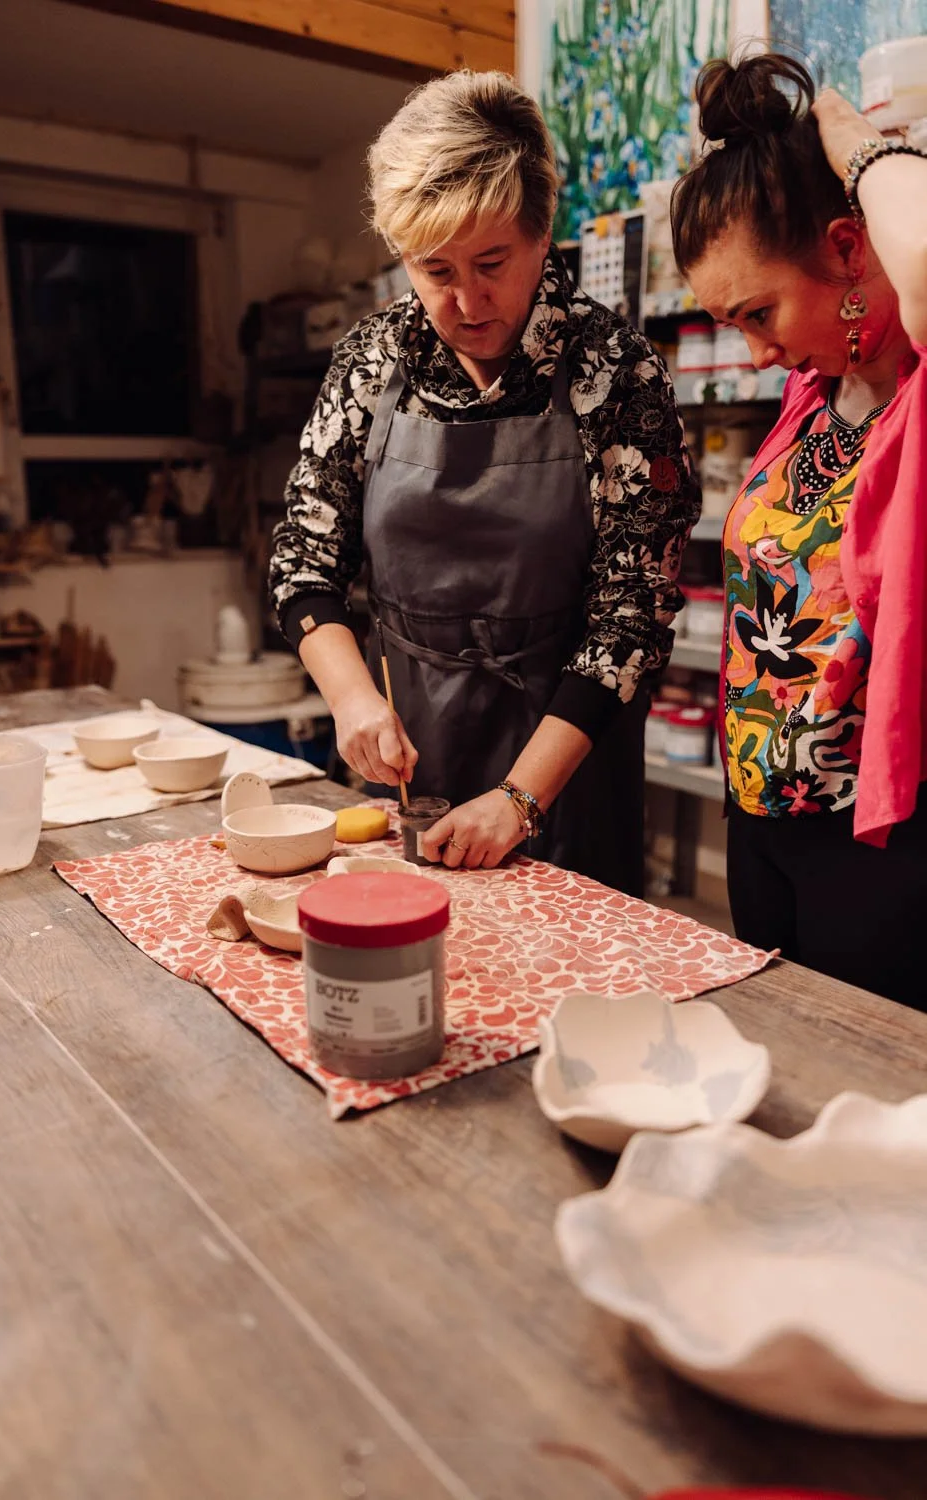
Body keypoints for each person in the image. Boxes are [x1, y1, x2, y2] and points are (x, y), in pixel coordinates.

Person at [269, 70, 699, 893]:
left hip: (564, 755)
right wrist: (355, 701)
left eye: (493, 261)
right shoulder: (373, 358)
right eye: (433, 270)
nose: (467, 300)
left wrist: (520, 799)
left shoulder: (614, 370)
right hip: (408, 748)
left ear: (544, 235)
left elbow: (633, 613)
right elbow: (304, 559)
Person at [671, 53, 927, 1007]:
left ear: (851, 251)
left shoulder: (920, 398)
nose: (757, 350)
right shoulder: (810, 398)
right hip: (763, 815)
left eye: (760, 312)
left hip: (883, 841)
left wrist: (855, 140)